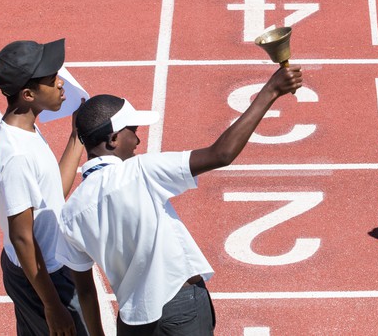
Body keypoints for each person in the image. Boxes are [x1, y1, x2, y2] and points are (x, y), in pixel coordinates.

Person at [55, 65, 302, 335]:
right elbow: (221, 154)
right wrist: (270, 91)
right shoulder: (140, 172)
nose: (137, 139)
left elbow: (85, 287)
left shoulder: (70, 213)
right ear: (113, 139)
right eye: (133, 130)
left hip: (132, 321)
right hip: (181, 308)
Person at [0, 39, 104, 335]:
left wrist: (77, 135)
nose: (61, 83)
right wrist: (52, 306)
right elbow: (22, 237)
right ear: (28, 94)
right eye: (53, 81)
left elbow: (53, 194)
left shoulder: (26, 130)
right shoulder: (17, 154)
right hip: (44, 278)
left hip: (41, 271)